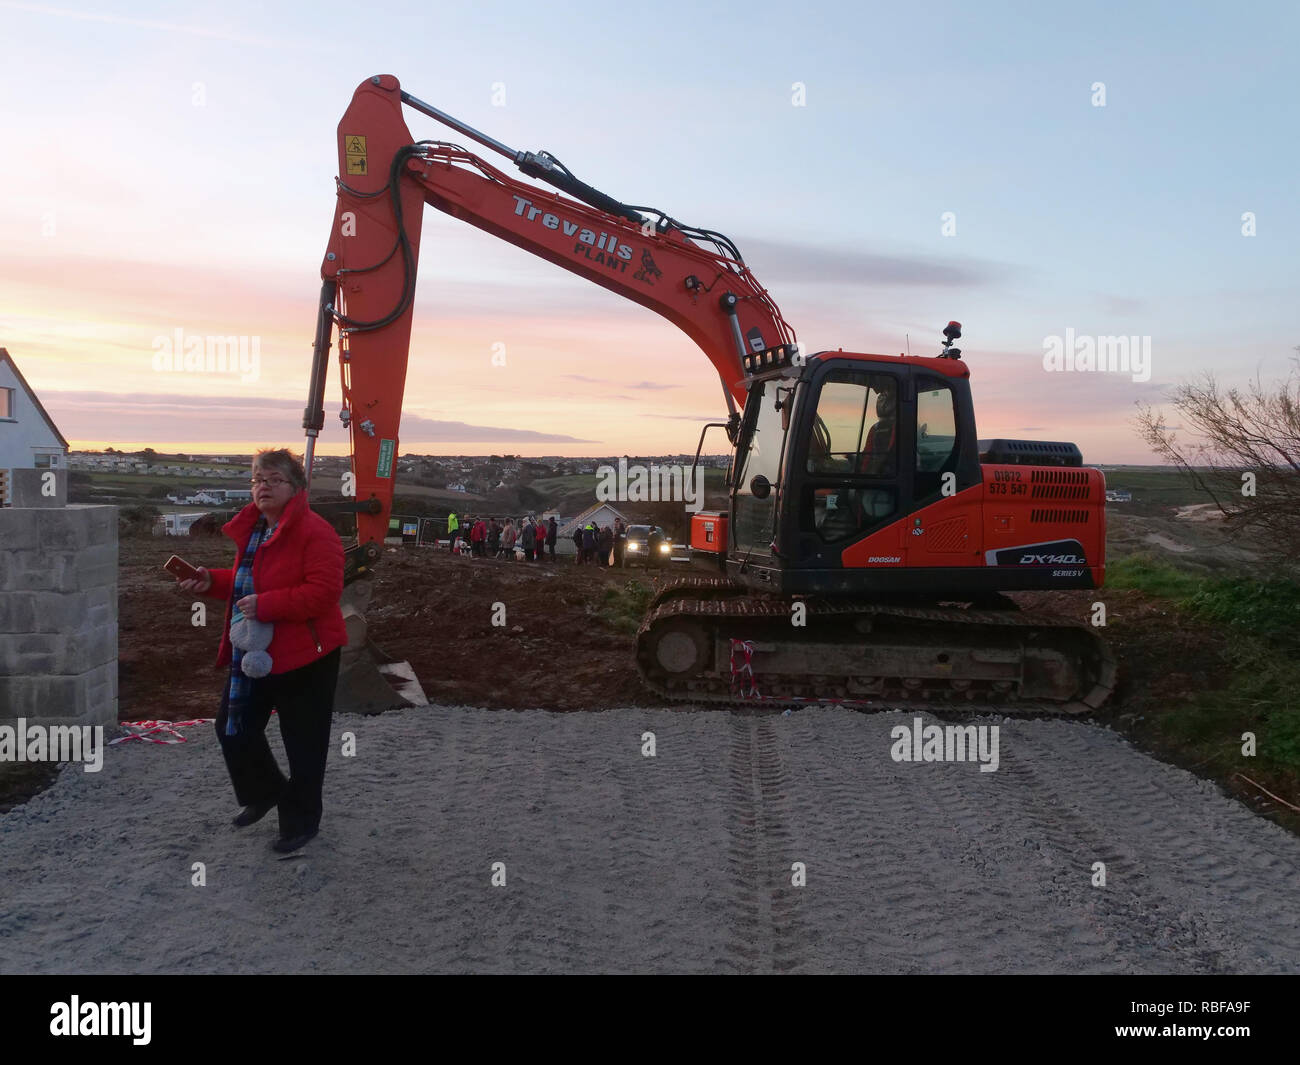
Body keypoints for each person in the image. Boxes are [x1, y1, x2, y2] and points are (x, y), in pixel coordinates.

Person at [175, 448, 346, 855]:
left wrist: (267, 605)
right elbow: (244, 580)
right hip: (255, 652)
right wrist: (210, 581)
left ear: (296, 487)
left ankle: (301, 822)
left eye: (273, 479)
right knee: (232, 728)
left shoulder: (316, 531)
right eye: (257, 479)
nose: (263, 487)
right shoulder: (256, 528)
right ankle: (267, 791)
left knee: (304, 743)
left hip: (308, 653)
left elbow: (323, 593)